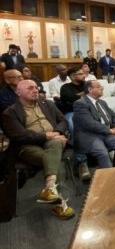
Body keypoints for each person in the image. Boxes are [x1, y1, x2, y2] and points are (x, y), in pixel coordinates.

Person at [1, 80, 74, 220]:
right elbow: (19, 135)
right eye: (30, 88)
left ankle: (50, 189)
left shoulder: (47, 104)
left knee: (54, 146)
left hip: (53, 142)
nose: (35, 90)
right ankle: (58, 202)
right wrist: (46, 135)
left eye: (36, 87)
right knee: (53, 159)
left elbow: (63, 120)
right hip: (27, 147)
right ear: (18, 92)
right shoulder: (9, 112)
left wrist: (57, 132)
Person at [72, 80, 115, 168]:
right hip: (90, 135)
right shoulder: (80, 104)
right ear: (90, 90)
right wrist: (109, 130)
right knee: (103, 153)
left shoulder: (102, 102)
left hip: (105, 134)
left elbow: (114, 116)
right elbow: (89, 124)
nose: (102, 88)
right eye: (98, 86)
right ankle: (108, 177)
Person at [59, 66, 85, 131]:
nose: (84, 76)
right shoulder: (65, 87)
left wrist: (77, 96)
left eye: (83, 73)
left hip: (88, 110)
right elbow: (69, 98)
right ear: (73, 76)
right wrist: (83, 94)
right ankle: (74, 141)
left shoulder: (86, 85)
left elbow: (93, 95)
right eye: (81, 74)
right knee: (72, 126)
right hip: (72, 112)